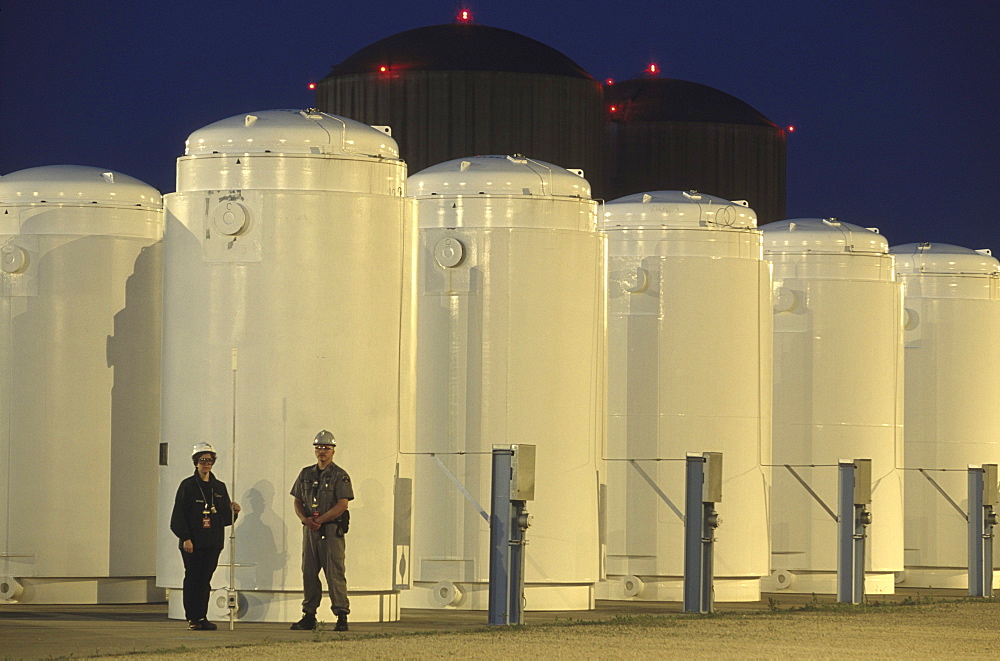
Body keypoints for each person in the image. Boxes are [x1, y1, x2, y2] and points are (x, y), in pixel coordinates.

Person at [169, 442, 241, 631]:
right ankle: (192, 617)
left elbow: (225, 519)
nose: (206, 464)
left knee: (205, 580)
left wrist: (234, 512)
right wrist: (185, 538)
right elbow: (178, 517)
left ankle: (202, 616)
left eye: (209, 460)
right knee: (192, 578)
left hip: (212, 543)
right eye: (202, 460)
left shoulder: (219, 487)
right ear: (196, 462)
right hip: (192, 543)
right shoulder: (188, 486)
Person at [289, 429, 354, 631]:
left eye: (326, 448)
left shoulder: (339, 476)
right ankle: (309, 615)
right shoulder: (306, 474)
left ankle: (341, 615)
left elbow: (342, 504)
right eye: (318, 448)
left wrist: (321, 520)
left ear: (333, 450)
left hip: (331, 531)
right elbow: (298, 500)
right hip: (310, 531)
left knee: (334, 572)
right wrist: (305, 520)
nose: (322, 451)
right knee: (308, 573)